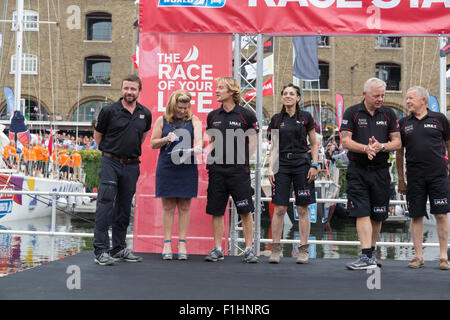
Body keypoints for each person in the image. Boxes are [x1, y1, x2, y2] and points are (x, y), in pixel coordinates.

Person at [340, 77, 401, 270]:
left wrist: (381, 146)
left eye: (383, 95)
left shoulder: (389, 113)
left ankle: (371, 253)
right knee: (361, 211)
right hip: (358, 170)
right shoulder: (352, 112)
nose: (380, 99)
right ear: (364, 94)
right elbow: (345, 141)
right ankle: (366, 255)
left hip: (381, 171)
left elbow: (397, 142)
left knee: (378, 214)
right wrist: (365, 148)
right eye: (376, 96)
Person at [93, 74, 152, 266]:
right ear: (121, 89)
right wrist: (110, 153)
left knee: (124, 207)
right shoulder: (109, 111)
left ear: (139, 91)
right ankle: (101, 250)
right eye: (126, 88)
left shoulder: (146, 113)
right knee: (105, 204)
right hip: (111, 162)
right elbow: (98, 136)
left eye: (133, 89)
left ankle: (118, 248)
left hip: (132, 165)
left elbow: (141, 137)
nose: (129, 92)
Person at [204, 76, 259, 263]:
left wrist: (242, 161)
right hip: (217, 170)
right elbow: (211, 141)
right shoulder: (212, 116)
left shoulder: (246, 115)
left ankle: (250, 249)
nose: (216, 91)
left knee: (245, 210)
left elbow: (253, 142)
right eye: (217, 87)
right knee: (217, 210)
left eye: (221, 88)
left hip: (238, 172)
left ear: (232, 92)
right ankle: (218, 248)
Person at [396, 86, 450, 270]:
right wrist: (401, 180)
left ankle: (443, 257)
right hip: (414, 177)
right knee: (416, 215)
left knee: (441, 215)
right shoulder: (403, 123)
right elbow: (399, 152)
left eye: (411, 98)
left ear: (423, 100)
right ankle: (418, 256)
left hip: (438, 175)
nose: (408, 101)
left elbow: (449, 144)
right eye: (407, 98)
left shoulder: (440, 119)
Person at [267, 83, 318, 264]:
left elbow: (314, 143)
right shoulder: (275, 119)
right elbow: (273, 146)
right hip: (281, 164)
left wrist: (314, 164)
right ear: (281, 98)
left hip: (302, 164)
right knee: (279, 208)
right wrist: (271, 168)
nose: (288, 96)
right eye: (285, 93)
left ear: (298, 98)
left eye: (291, 94)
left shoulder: (306, 117)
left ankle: (303, 249)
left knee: (302, 208)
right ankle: (275, 249)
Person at [151, 89, 202, 260]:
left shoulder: (194, 120)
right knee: (167, 207)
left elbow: (200, 143)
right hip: (167, 166)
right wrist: (166, 139)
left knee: (185, 207)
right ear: (173, 105)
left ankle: (182, 243)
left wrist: (196, 148)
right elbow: (153, 143)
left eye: (185, 108)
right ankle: (166, 243)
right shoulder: (162, 120)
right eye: (180, 107)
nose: (182, 111)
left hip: (187, 167)